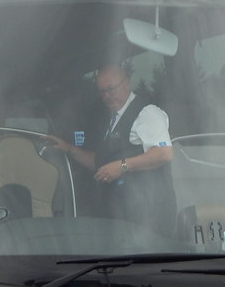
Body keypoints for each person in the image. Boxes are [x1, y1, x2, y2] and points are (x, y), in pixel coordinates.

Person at [51, 65, 176, 234]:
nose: (106, 96)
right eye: (101, 91)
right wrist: (69, 149)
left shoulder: (147, 113)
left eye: (110, 89)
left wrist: (122, 166)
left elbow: (164, 153)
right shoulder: (112, 118)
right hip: (120, 218)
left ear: (127, 84)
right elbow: (101, 164)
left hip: (147, 218)